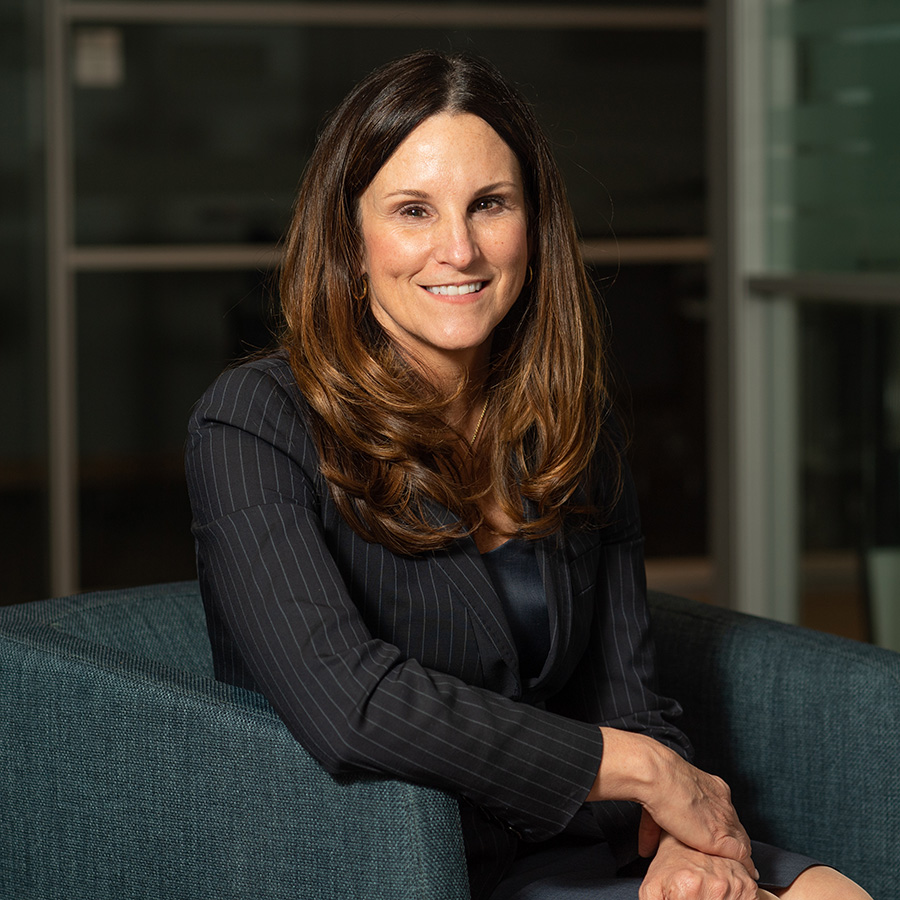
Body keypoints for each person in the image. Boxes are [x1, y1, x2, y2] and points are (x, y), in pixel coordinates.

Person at [185, 50, 872, 900]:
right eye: (412, 210)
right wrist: (644, 773)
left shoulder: (574, 420)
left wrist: (684, 844)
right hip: (416, 860)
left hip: (590, 834)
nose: (459, 249)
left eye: (489, 205)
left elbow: (635, 699)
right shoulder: (256, 421)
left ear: (533, 225)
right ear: (350, 243)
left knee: (832, 893)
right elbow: (350, 704)